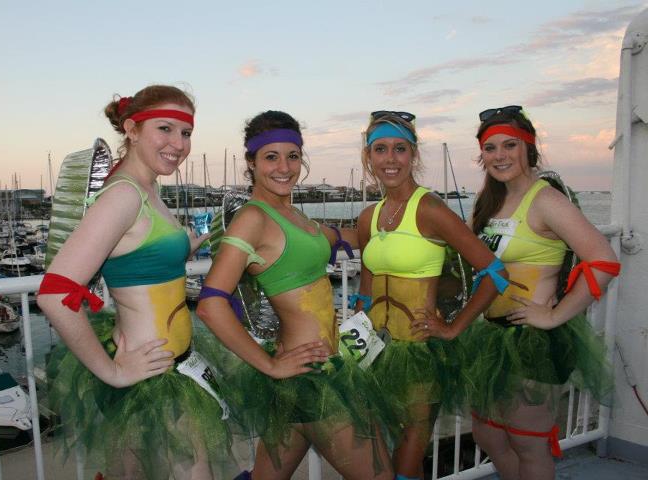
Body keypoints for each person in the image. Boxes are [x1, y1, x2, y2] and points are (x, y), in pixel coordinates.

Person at [36, 85, 236, 479]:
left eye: (186, 133)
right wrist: (113, 373)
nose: (178, 144)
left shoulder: (148, 189)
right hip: (150, 377)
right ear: (132, 129)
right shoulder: (124, 196)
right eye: (165, 129)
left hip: (173, 366)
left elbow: (146, 254)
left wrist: (201, 236)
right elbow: (54, 293)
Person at [196, 110, 393, 480]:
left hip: (314, 368)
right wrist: (270, 365)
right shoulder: (253, 219)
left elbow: (345, 237)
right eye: (271, 157)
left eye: (293, 156)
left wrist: (397, 223)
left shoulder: (293, 215)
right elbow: (209, 305)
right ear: (251, 162)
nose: (284, 167)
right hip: (311, 376)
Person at [465, 106, 620, 480]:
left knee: (528, 443)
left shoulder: (546, 200)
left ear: (529, 149)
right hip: (491, 338)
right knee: (489, 435)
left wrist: (553, 315)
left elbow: (604, 260)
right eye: (490, 148)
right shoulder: (488, 202)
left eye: (510, 145)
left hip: (532, 341)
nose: (500, 155)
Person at [355, 110, 506, 480]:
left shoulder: (431, 209)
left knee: (411, 444)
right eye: (380, 149)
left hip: (419, 349)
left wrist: (454, 328)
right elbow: (366, 284)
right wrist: (354, 332)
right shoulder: (369, 217)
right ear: (368, 157)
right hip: (375, 348)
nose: (390, 159)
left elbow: (495, 274)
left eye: (400, 148)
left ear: (414, 155)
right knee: (378, 443)